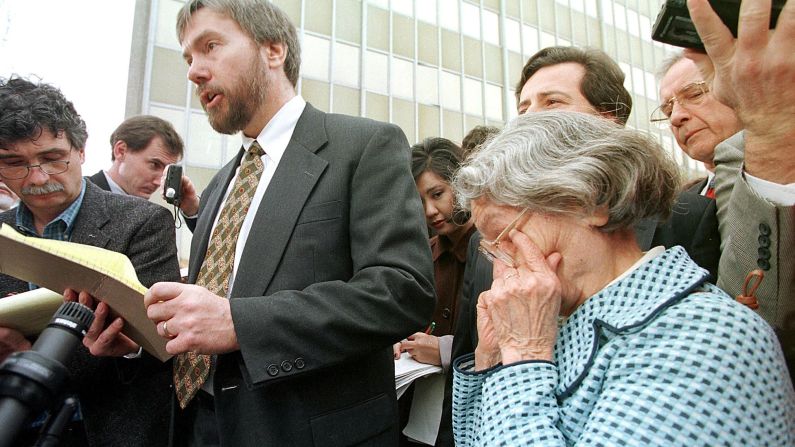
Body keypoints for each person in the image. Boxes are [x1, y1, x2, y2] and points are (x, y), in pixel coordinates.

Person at [137, 1, 434, 446]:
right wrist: (139, 338)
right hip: (198, 425)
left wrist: (241, 323)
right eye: (188, 58)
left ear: (273, 51)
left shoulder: (365, 145)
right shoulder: (222, 183)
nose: (194, 72)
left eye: (211, 46)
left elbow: (402, 291)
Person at [450, 111, 795, 446]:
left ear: (591, 203)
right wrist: (493, 358)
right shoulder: (552, 324)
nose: (504, 266)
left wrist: (522, 356)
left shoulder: (703, 334)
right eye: (493, 248)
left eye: (508, 235)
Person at [454, 46, 722, 366]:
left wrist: (525, 354)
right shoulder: (490, 245)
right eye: (523, 110)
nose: (531, 120)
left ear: (608, 122)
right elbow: (470, 354)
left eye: (552, 103)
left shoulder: (695, 324)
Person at [0, 77, 180, 446]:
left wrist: (130, 350)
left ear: (80, 150)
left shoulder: (143, 222)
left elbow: (164, 345)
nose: (38, 177)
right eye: (14, 163)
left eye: (52, 158)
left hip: (101, 424)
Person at [686, 0, 795, 382]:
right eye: (666, 108)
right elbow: (752, 313)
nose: (678, 116)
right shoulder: (688, 202)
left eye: (695, 92)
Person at [395, 138, 475, 446]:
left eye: (438, 194)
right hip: (419, 413)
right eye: (419, 201)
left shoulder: (497, 250)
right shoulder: (422, 254)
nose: (430, 211)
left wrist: (444, 350)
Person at [653, 52, 742, 194]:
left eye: (695, 94)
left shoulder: (784, 181)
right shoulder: (673, 209)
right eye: (668, 111)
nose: (675, 117)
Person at [88, 115, 183, 199]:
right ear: (121, 151)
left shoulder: (150, 214)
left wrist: (191, 211)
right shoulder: (79, 196)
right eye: (154, 165)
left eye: (167, 172)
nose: (159, 182)